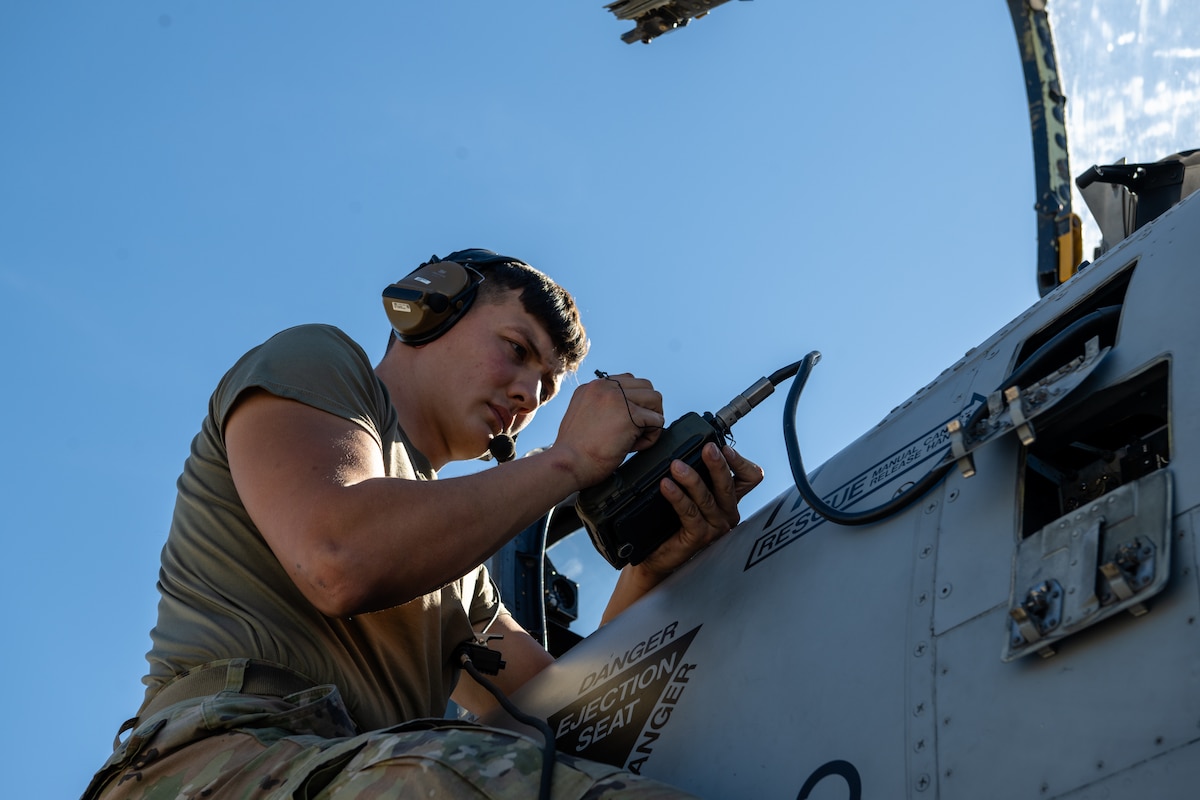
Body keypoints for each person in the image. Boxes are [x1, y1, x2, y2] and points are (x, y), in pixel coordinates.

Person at [83, 249, 763, 800]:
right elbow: (337, 555)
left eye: (548, 388)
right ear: (428, 309)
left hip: (358, 769)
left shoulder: (459, 566)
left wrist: (655, 568)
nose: (529, 394)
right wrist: (567, 462)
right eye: (516, 349)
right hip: (212, 766)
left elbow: (562, 711)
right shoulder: (319, 362)